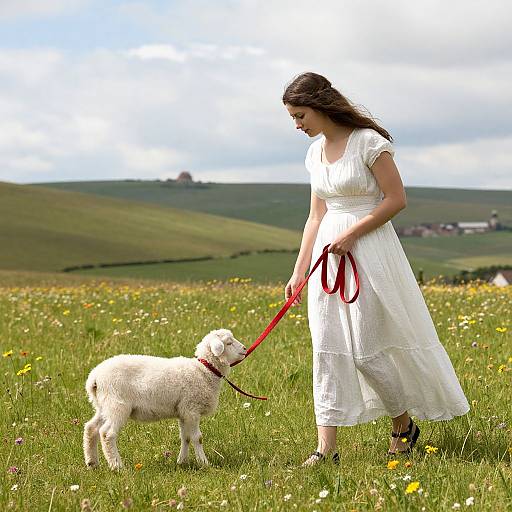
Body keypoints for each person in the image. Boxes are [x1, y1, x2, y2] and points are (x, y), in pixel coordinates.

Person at [282, 72, 470, 467]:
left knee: (367, 352)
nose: (297, 125)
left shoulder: (369, 143)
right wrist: (299, 271)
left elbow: (396, 199)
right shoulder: (314, 153)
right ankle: (325, 449)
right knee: (327, 347)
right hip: (326, 256)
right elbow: (315, 216)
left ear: (319, 106)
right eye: (293, 118)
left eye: (300, 116)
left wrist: (352, 234)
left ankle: (403, 426)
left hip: (369, 249)